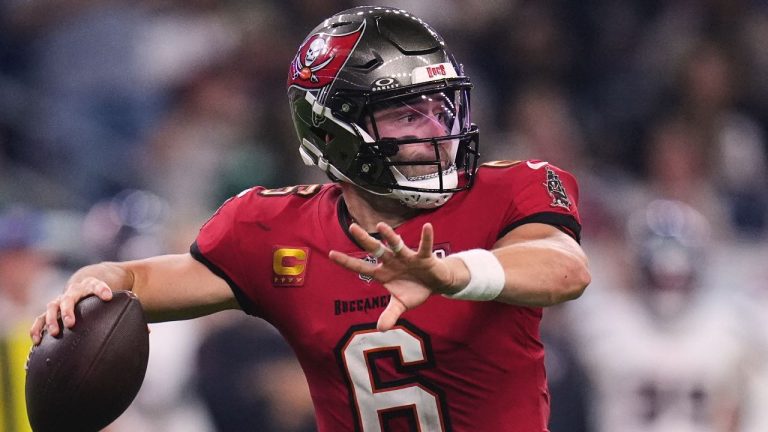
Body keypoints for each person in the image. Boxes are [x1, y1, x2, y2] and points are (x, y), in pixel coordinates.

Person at [29, 6, 590, 432]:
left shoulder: (508, 188)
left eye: (442, 108)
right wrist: (101, 279)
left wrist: (457, 275)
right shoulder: (271, 230)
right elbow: (142, 284)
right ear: (331, 134)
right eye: (404, 114)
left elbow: (564, 268)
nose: (434, 132)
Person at [566, 199, 768, 432]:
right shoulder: (602, 320)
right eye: (660, 276)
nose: (669, 287)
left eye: (676, 278)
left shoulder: (731, 324)